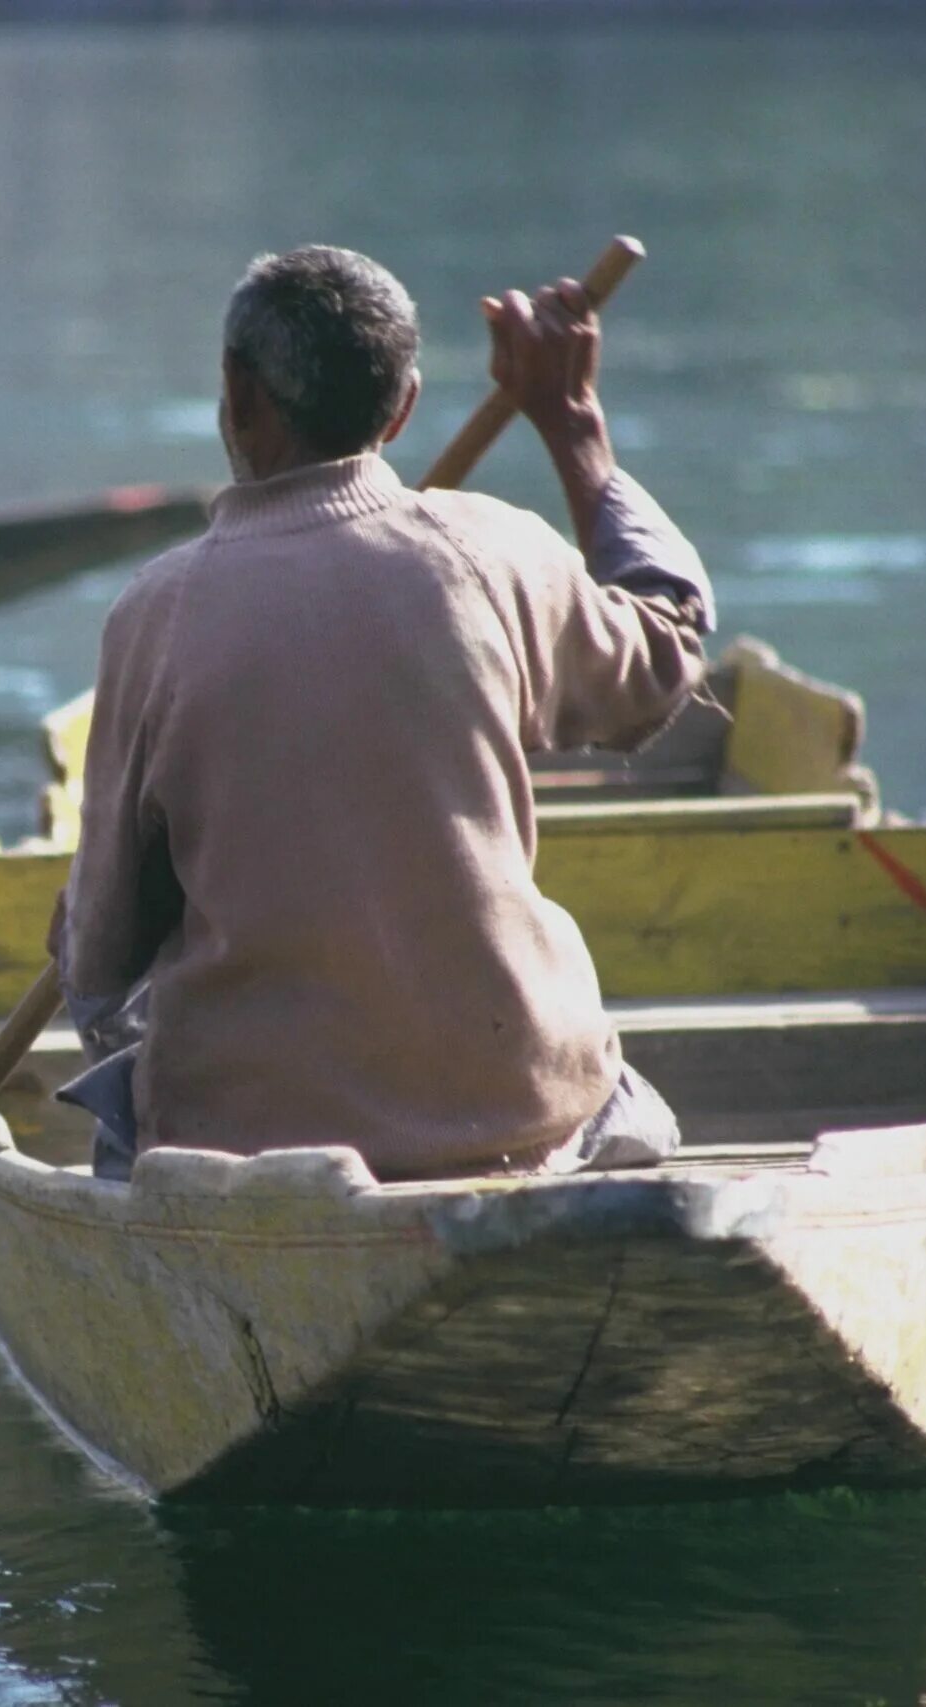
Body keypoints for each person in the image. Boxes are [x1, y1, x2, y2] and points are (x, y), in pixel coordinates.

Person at [49, 244, 714, 1183]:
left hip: (250, 1144)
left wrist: (93, 940)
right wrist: (573, 430)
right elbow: (667, 656)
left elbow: (104, 954)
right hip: (522, 1110)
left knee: (113, 1059)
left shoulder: (155, 612)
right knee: (614, 1101)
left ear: (237, 396)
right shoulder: (491, 548)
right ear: (401, 411)